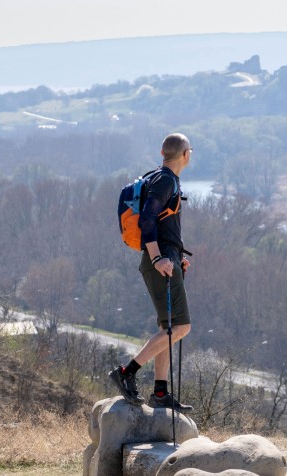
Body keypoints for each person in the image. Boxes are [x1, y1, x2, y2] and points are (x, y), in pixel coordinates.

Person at [110, 132, 194, 413]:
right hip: (159, 260)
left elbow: (163, 223)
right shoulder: (165, 180)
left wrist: (177, 256)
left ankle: (160, 392)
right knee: (181, 327)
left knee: (167, 328)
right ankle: (126, 372)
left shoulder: (164, 178)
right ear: (185, 154)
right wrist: (158, 257)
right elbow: (147, 218)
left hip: (168, 258)